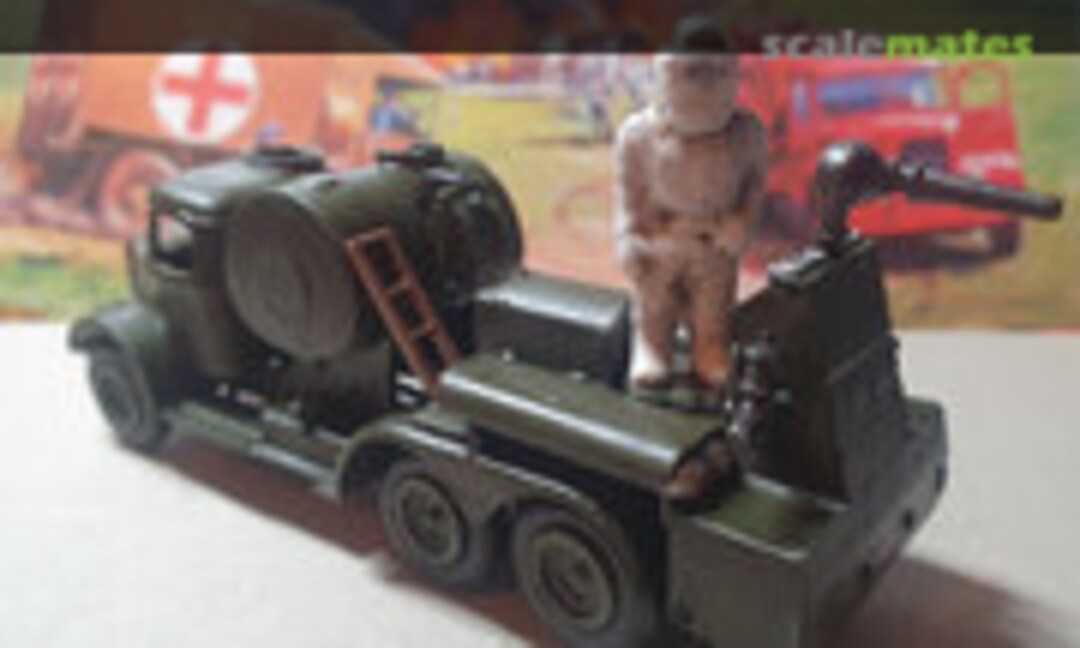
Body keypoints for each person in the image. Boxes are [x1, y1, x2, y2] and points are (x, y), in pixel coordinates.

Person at [614, 24, 767, 394]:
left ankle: (709, 348)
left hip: (715, 241)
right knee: (654, 304)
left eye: (715, 79)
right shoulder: (637, 135)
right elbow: (628, 196)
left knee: (713, 304)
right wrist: (628, 238)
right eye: (691, 78)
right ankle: (653, 347)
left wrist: (741, 224)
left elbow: (754, 187)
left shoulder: (746, 132)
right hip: (660, 238)